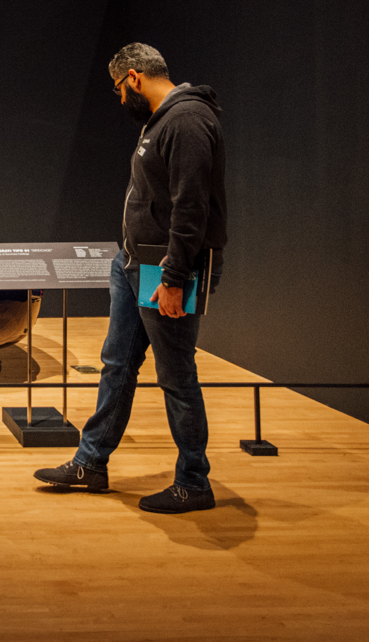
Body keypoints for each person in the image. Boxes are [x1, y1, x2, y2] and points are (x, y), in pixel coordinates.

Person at [34, 43, 226, 514]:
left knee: (177, 375)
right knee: (117, 364)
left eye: (120, 90)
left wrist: (175, 277)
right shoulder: (161, 121)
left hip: (166, 271)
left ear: (134, 78)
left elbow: (191, 208)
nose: (121, 100)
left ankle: (194, 482)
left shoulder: (186, 122)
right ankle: (91, 462)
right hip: (136, 265)